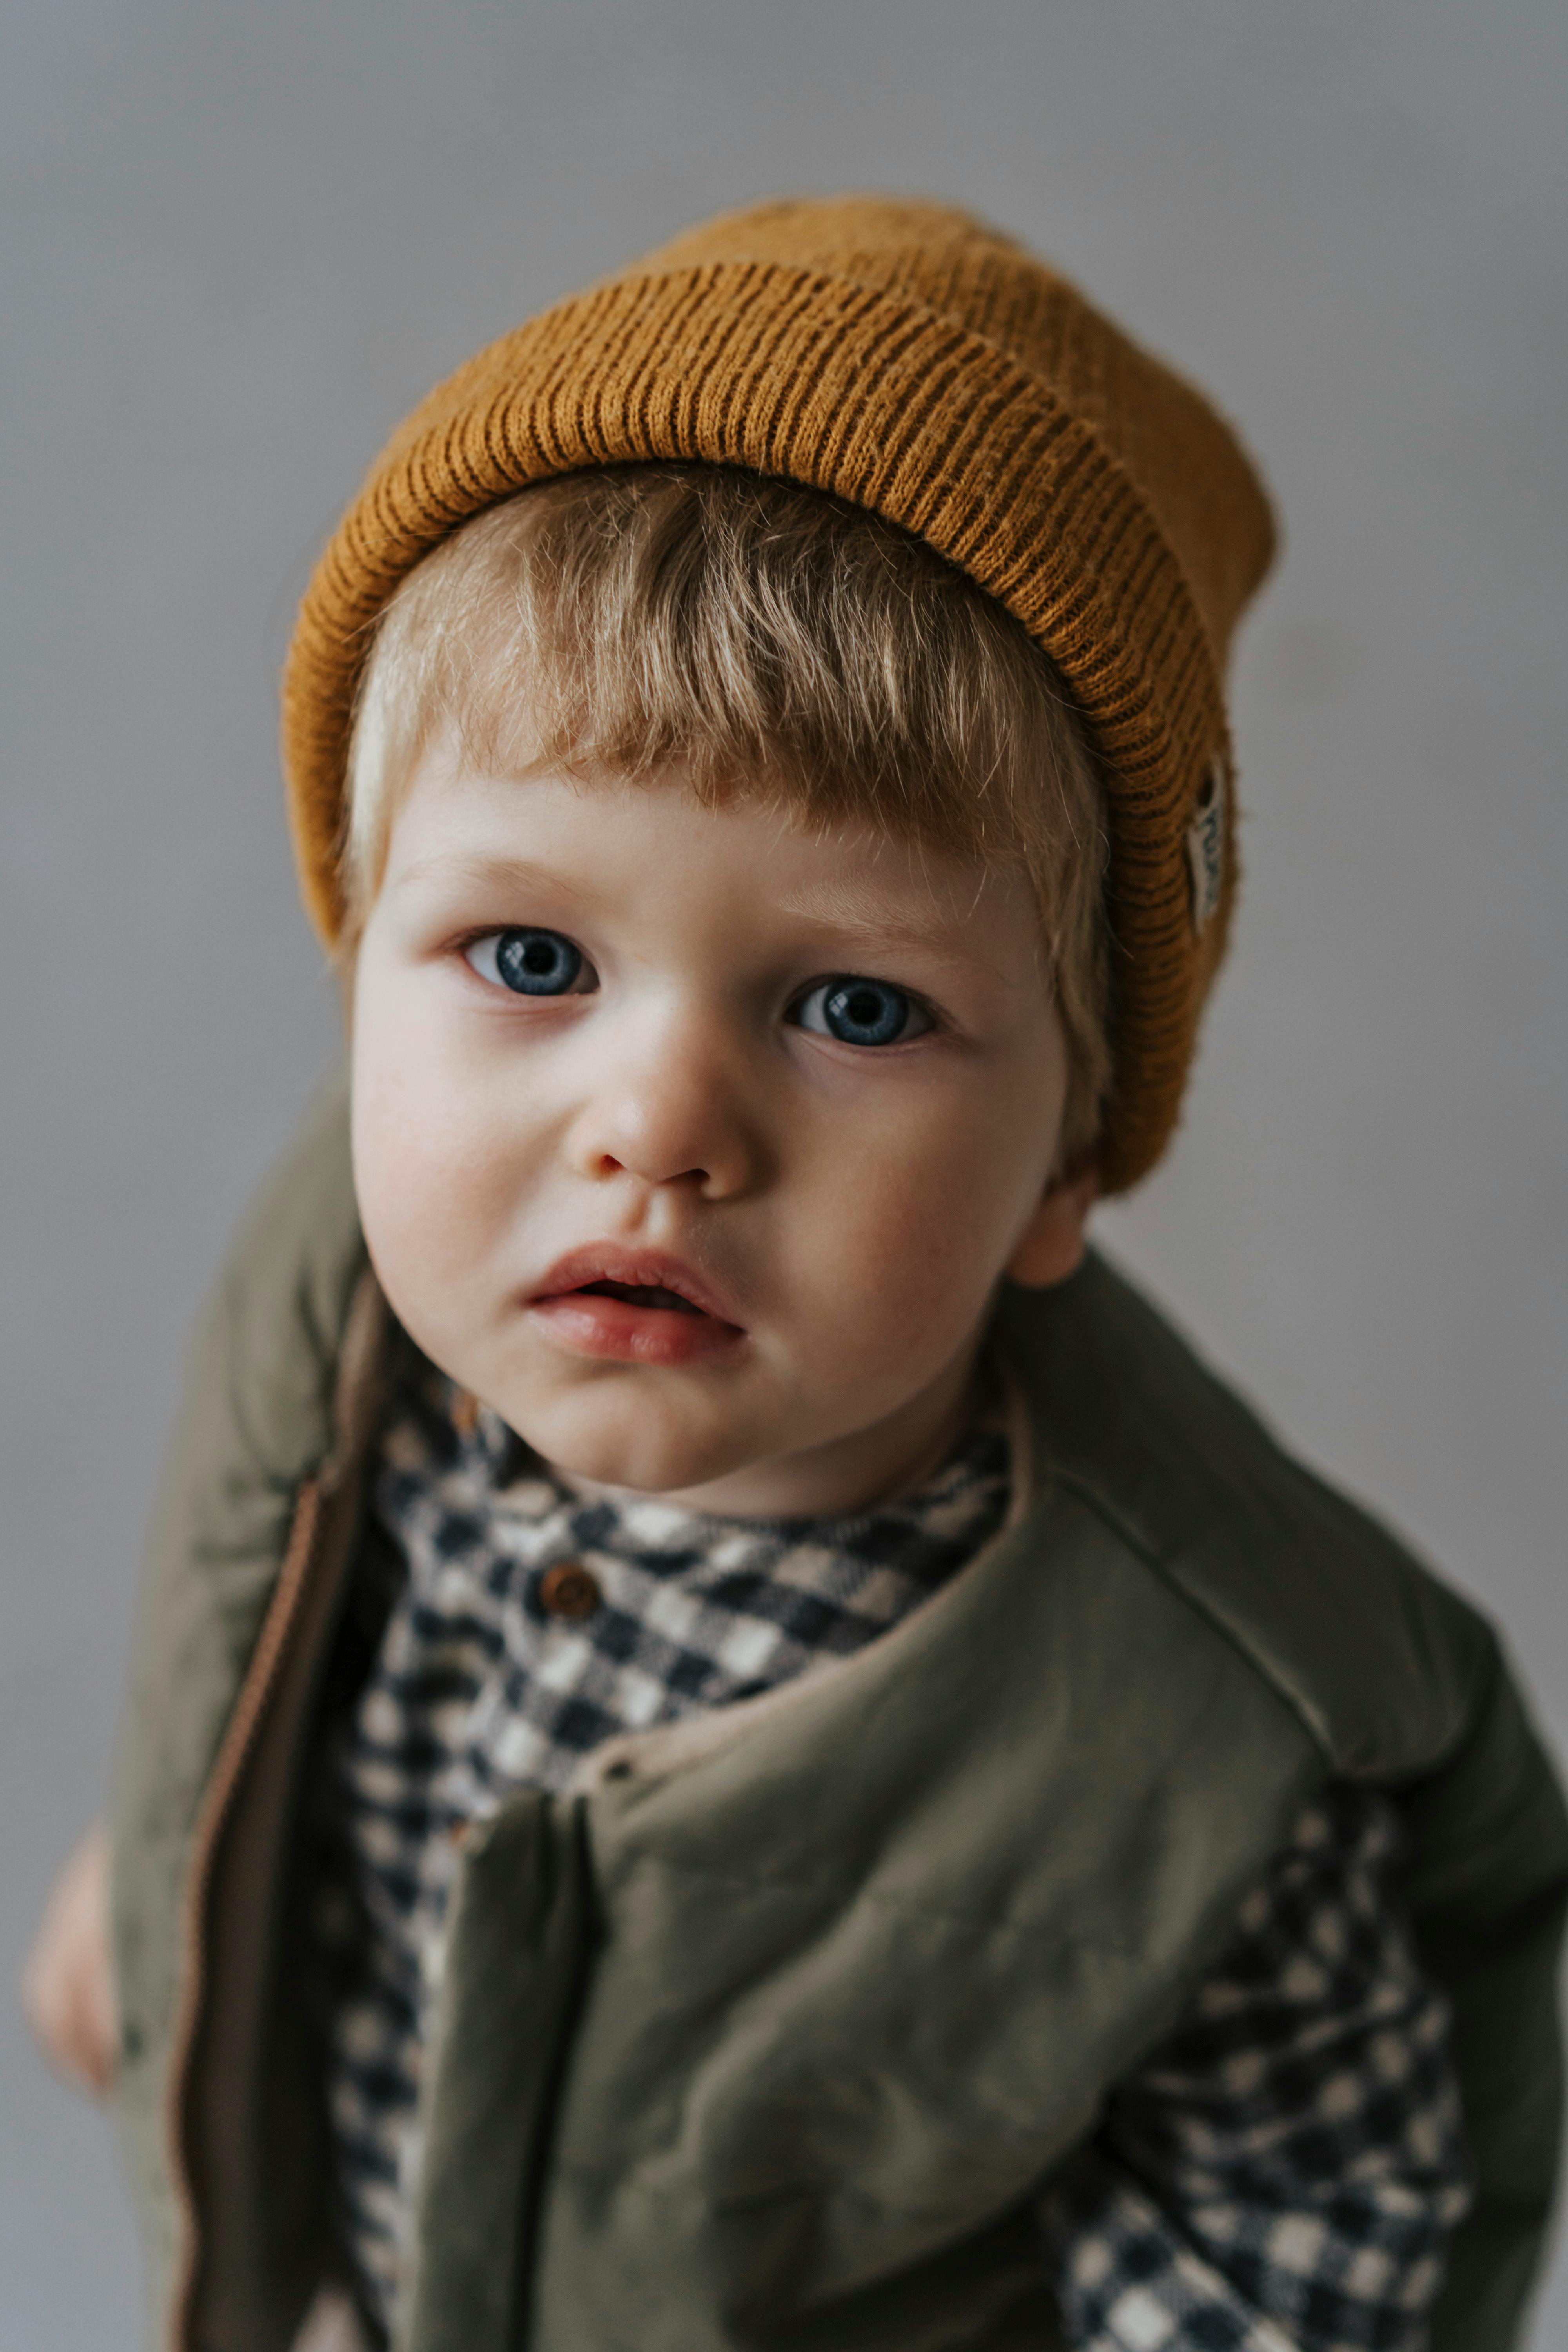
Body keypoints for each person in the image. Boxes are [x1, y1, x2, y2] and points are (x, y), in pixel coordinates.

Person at [22, 196, 1567, 2352]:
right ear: (363, 975)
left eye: (851, 1007)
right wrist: (176, 1878)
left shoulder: (1208, 1760)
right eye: (532, 959)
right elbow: (259, 1639)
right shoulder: (352, 1313)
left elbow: (1306, 2247)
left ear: (1065, 1162)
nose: (655, 1126)